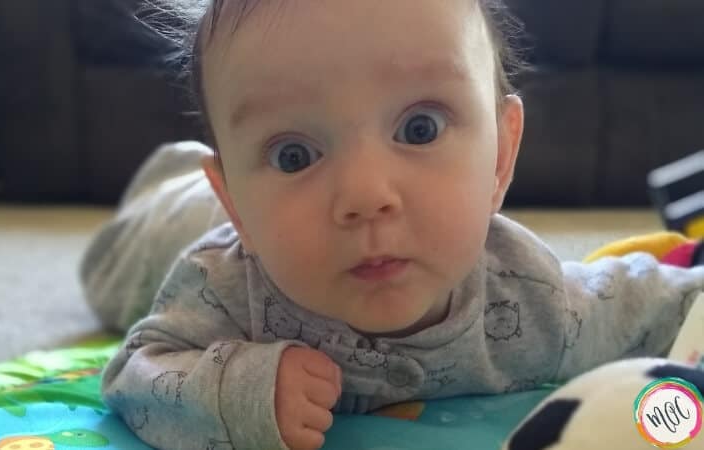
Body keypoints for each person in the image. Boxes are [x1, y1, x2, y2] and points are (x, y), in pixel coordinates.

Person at [80, 1, 704, 449]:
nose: (365, 196)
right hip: (175, 220)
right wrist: (232, 391)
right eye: (293, 153)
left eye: (420, 128)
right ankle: (182, 174)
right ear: (238, 200)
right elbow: (136, 371)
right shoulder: (218, 289)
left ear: (501, 157)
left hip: (237, 195)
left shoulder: (530, 296)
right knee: (110, 275)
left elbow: (653, 302)